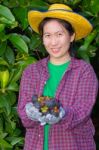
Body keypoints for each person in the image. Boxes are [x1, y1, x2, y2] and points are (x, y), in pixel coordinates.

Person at [17, 3, 98, 150]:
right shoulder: (31, 71)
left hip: (73, 145)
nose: (53, 42)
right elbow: (24, 114)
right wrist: (30, 113)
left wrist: (61, 113)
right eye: (48, 35)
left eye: (59, 34)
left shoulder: (84, 71)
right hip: (35, 146)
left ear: (71, 36)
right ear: (42, 38)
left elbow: (83, 112)